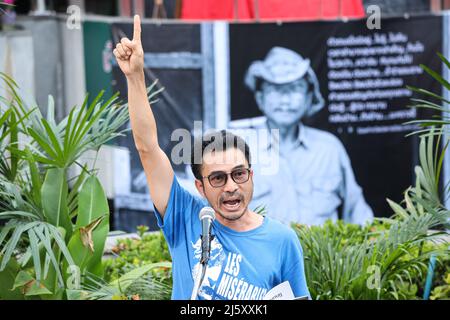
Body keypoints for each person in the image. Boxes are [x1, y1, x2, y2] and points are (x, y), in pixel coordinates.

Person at [113, 15, 310, 300]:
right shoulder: (186, 218)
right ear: (200, 187)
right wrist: (135, 76)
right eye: (218, 178)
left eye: (238, 174)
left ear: (251, 176)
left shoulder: (283, 241)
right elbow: (147, 148)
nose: (231, 186)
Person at [229, 46, 374, 226]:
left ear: (308, 98)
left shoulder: (329, 149)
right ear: (260, 98)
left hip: (324, 255)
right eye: (275, 89)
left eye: (295, 89)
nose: (285, 99)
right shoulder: (236, 152)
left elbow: (358, 214)